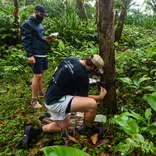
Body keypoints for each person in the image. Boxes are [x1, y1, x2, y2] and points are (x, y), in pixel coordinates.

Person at [20, 54, 107, 148]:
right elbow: (84, 97)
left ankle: (34, 131)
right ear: (93, 67)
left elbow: (57, 69)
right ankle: (89, 129)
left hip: (50, 96)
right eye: (96, 70)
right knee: (91, 104)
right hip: (56, 101)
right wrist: (100, 97)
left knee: (63, 125)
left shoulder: (72, 59)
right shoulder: (82, 75)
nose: (96, 72)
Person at [21, 4, 48, 108]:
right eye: (42, 15)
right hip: (35, 53)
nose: (43, 17)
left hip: (43, 52)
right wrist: (30, 55)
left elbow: (39, 37)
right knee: (37, 76)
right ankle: (33, 100)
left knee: (42, 73)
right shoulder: (27, 24)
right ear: (36, 12)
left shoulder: (40, 24)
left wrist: (46, 40)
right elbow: (26, 40)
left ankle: (41, 92)